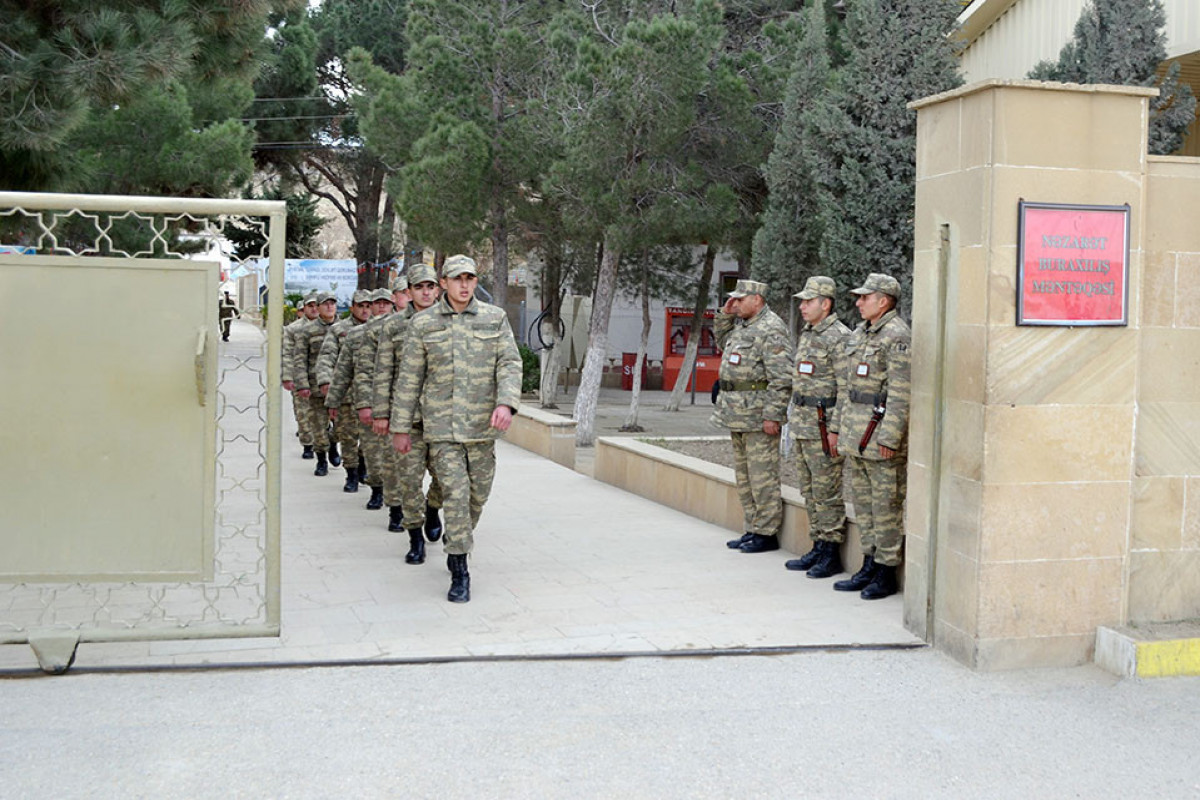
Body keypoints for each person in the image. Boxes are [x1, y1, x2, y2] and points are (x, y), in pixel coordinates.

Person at [391, 255, 521, 602]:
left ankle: (438, 514)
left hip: (481, 427)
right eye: (456, 278)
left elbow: (509, 362)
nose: (464, 285)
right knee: (458, 495)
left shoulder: (495, 318)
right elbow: (409, 378)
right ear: (443, 283)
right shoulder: (424, 324)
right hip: (442, 429)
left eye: (470, 278)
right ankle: (459, 566)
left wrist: (506, 403)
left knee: (478, 496)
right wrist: (401, 428)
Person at [829, 273, 911, 600]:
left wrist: (890, 438)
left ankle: (886, 571)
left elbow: (902, 393)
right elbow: (847, 389)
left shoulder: (897, 335)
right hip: (857, 434)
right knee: (864, 505)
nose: (859, 302)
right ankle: (869, 562)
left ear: (884, 301)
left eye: (865, 297)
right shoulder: (861, 333)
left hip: (879, 439)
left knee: (885, 505)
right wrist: (837, 428)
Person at [712, 279, 793, 554]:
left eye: (739, 299)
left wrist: (773, 414)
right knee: (745, 476)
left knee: (762, 476)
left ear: (757, 299)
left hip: (758, 416)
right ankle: (752, 527)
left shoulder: (772, 328)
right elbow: (722, 343)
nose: (735, 303)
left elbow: (781, 378)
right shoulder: (743, 325)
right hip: (737, 414)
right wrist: (725, 314)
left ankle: (766, 532)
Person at [372, 265, 445, 555]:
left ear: (438, 289)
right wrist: (381, 413)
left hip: (442, 418)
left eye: (430, 287)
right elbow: (383, 371)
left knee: (443, 477)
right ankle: (414, 537)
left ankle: (433, 507)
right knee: (409, 480)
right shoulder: (393, 326)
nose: (426, 292)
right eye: (419, 287)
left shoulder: (449, 322)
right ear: (409, 292)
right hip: (408, 418)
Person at [784, 276, 851, 579]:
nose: (802, 306)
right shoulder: (809, 334)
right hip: (803, 424)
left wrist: (836, 429)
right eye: (802, 301)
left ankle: (831, 551)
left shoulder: (839, 336)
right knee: (809, 489)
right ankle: (818, 542)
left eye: (808, 301)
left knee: (827, 491)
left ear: (825, 304)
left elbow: (846, 387)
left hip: (824, 426)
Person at [324, 290, 375, 493]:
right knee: (347, 437)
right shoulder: (339, 330)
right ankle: (351, 474)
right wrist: (330, 390)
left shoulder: (382, 329)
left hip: (371, 397)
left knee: (370, 440)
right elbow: (328, 358)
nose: (364, 310)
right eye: (360, 306)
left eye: (367, 306)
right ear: (352, 307)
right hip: (347, 396)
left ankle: (364, 465)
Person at [293, 291, 338, 476]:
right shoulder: (307, 331)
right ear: (318, 308)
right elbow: (299, 360)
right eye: (325, 304)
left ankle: (333, 444)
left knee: (342, 427)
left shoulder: (344, 329)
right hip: (315, 388)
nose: (329, 307)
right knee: (318, 427)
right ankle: (321, 460)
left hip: (340, 389)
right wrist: (302, 385)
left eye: (332, 303)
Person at [282, 293, 319, 459]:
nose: (314, 308)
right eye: (310, 305)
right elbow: (287, 353)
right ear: (304, 308)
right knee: (303, 413)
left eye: (316, 305)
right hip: (300, 377)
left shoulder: (331, 327)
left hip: (322, 378)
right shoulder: (293, 329)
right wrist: (288, 376)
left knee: (321, 416)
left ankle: (323, 445)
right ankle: (308, 444)